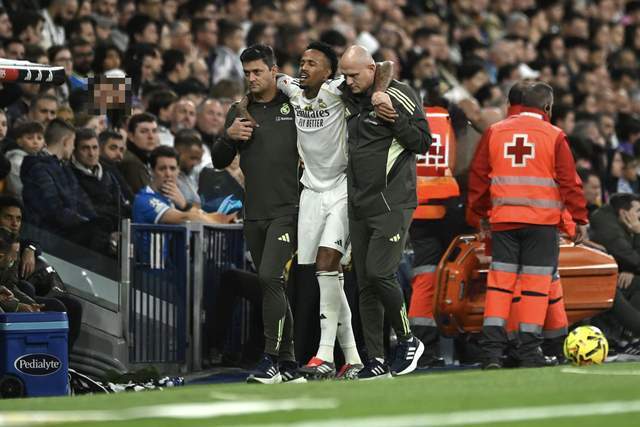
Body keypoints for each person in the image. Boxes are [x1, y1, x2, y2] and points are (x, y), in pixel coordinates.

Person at [273, 41, 394, 379]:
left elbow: (384, 65)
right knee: (327, 276)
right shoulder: (292, 90)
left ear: (329, 72)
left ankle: (324, 354)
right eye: (302, 62)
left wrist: (379, 94)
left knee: (328, 262)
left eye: (312, 63)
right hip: (311, 192)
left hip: (342, 188)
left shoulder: (337, 90)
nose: (304, 67)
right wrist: (241, 105)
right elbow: (272, 78)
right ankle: (352, 356)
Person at [467, 81, 589, 368]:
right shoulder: (554, 135)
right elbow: (569, 182)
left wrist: (480, 215)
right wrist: (579, 218)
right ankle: (529, 353)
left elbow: (479, 177)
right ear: (547, 107)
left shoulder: (495, 131)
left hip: (504, 222)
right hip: (541, 224)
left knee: (500, 287)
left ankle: (492, 354)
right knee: (535, 288)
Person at [211, 44, 303, 384]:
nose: (251, 78)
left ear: (274, 71)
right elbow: (219, 160)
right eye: (247, 73)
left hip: (288, 209)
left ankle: (270, 359)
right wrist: (229, 136)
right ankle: (290, 363)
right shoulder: (240, 110)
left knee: (268, 278)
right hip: (254, 213)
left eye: (258, 72)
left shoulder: (295, 105)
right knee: (271, 286)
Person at [339, 45, 431, 379]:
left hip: (392, 201)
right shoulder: (347, 95)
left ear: (370, 69)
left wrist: (394, 118)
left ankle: (408, 340)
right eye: (344, 75)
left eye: (354, 75)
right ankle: (376, 359)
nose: (348, 81)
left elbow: (423, 142)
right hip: (359, 203)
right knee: (365, 283)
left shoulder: (400, 94)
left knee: (380, 273)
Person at [0, 196, 83, 351]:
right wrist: (20, 305)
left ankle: (62, 359)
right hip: (8, 298)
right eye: (8, 217)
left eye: (18, 219)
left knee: (71, 306)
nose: (14, 223)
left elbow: (33, 243)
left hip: (12, 292)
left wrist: (30, 249)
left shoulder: (16, 242)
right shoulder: (9, 245)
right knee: (32, 292)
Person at [133, 146, 233, 225]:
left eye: (172, 168)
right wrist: (185, 206)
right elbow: (186, 218)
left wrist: (185, 205)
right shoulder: (145, 200)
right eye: (162, 168)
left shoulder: (173, 199)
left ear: (178, 171)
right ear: (151, 171)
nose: (168, 174)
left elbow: (203, 213)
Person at [590, 193, 640, 342]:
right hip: (601, 282)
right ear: (624, 213)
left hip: (616, 275)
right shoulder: (609, 229)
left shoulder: (620, 223)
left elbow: (631, 260)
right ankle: (629, 334)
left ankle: (628, 335)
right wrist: (639, 233)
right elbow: (633, 259)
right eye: (638, 211)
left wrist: (631, 270)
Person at [119, 112, 158, 194]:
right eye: (144, 131)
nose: (151, 136)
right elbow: (147, 198)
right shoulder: (131, 163)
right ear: (131, 136)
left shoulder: (143, 159)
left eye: (154, 131)